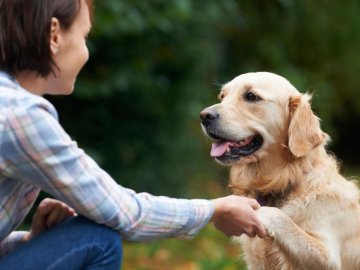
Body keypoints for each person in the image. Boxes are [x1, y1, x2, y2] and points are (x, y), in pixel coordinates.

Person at [0, 0, 267, 269]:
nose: (86, 52)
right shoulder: (21, 115)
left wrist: (30, 242)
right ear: (54, 34)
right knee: (97, 239)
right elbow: (124, 213)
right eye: (83, 37)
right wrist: (214, 209)